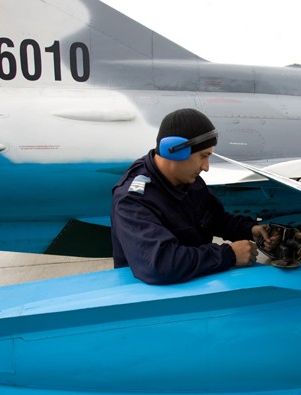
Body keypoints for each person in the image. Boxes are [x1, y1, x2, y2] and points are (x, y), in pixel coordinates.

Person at [110, 108, 273, 285]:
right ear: (174, 151)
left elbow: (215, 219)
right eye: (203, 156)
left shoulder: (187, 179)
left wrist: (251, 230)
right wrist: (230, 254)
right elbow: (161, 264)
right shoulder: (133, 200)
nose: (206, 167)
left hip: (193, 282)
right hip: (155, 300)